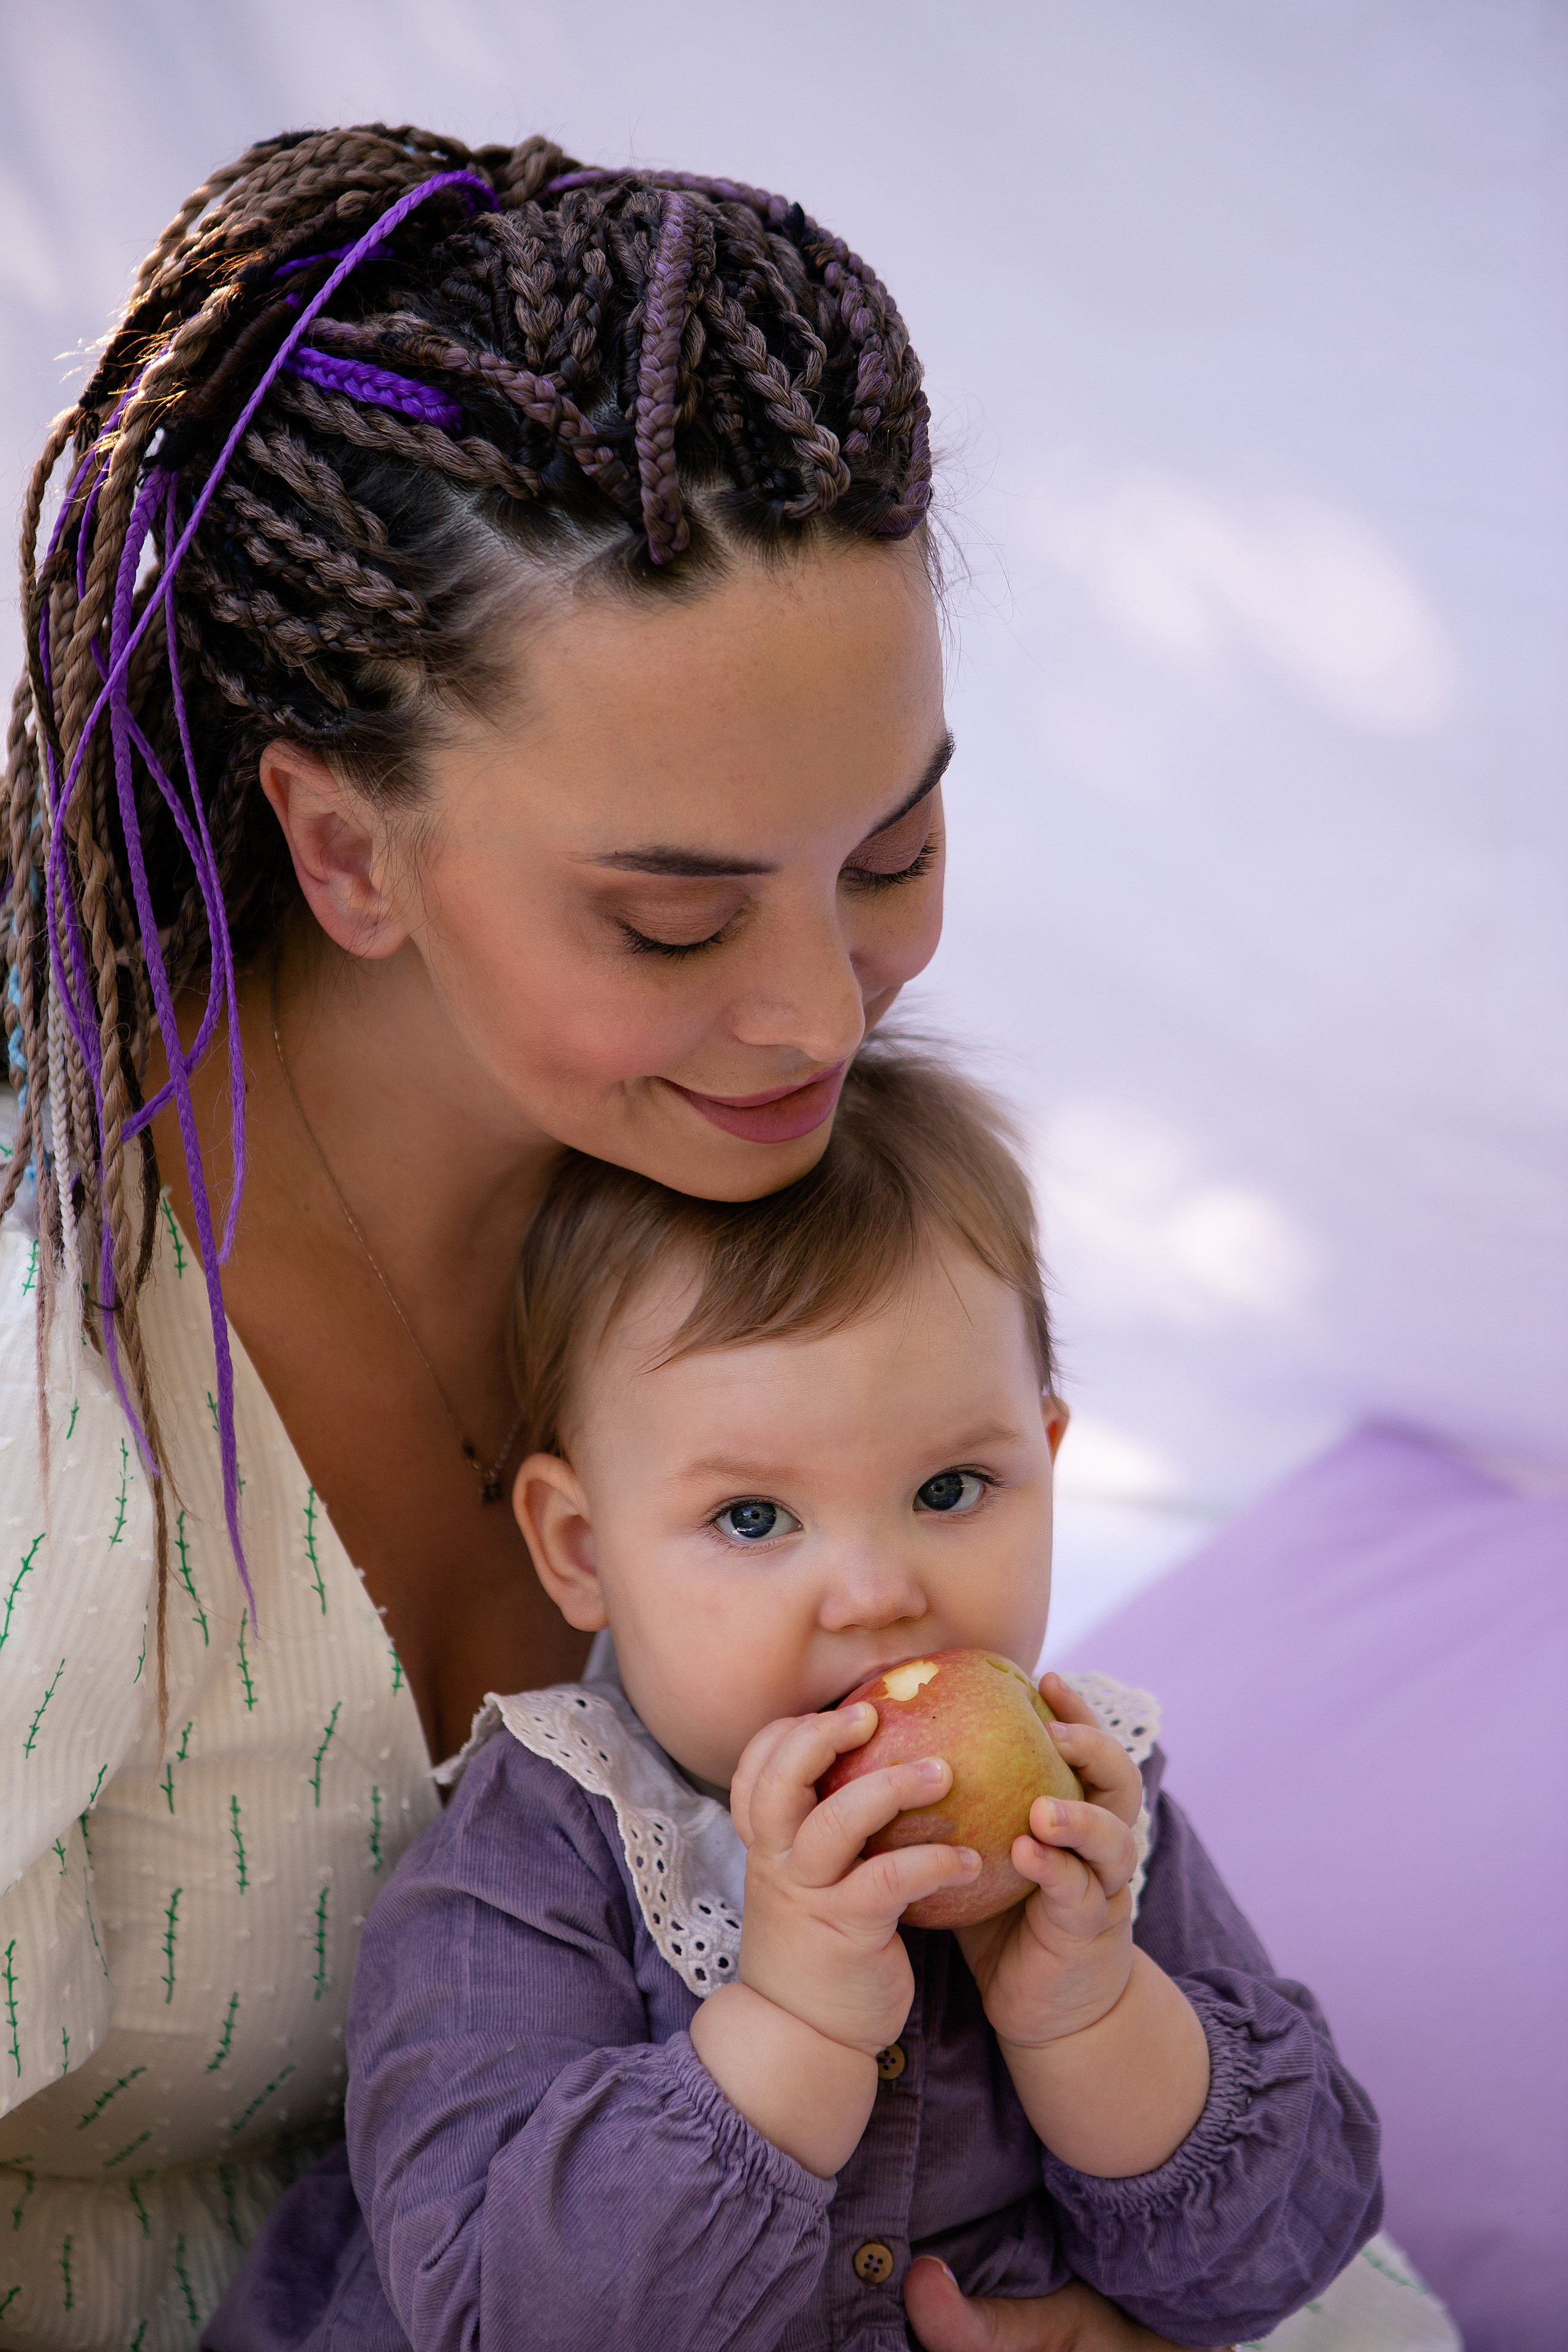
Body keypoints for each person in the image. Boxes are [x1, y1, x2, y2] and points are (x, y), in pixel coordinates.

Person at [0, 122, 1205, 2352]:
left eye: (895, 848)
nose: (825, 1015)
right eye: (671, 920)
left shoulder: (789, 1210)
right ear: (344, 851)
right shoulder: (49, 1395)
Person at [209, 1045, 1385, 2352]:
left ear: (1046, 1463)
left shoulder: (1086, 1810)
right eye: (754, 1517)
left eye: (951, 1490)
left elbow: (1275, 2254)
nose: (879, 1592)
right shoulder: (546, 1850)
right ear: (583, 1549)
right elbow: (506, 2315)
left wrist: (1095, 2015)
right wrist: (790, 2023)